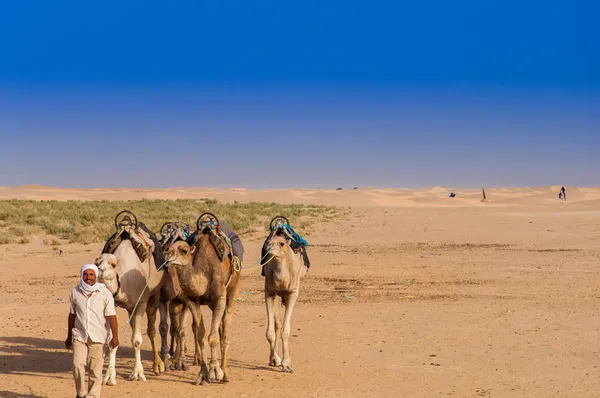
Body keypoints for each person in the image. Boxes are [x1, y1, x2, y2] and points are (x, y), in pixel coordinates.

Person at [65, 264, 118, 398]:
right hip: (79, 335)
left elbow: (111, 316)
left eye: (91, 275)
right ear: (81, 275)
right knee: (77, 365)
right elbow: (72, 315)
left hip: (98, 336)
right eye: (85, 274)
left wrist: (115, 337)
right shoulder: (75, 292)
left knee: (95, 371)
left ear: (96, 276)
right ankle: (81, 394)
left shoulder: (105, 293)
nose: (88, 278)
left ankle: (93, 396)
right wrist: (69, 336)